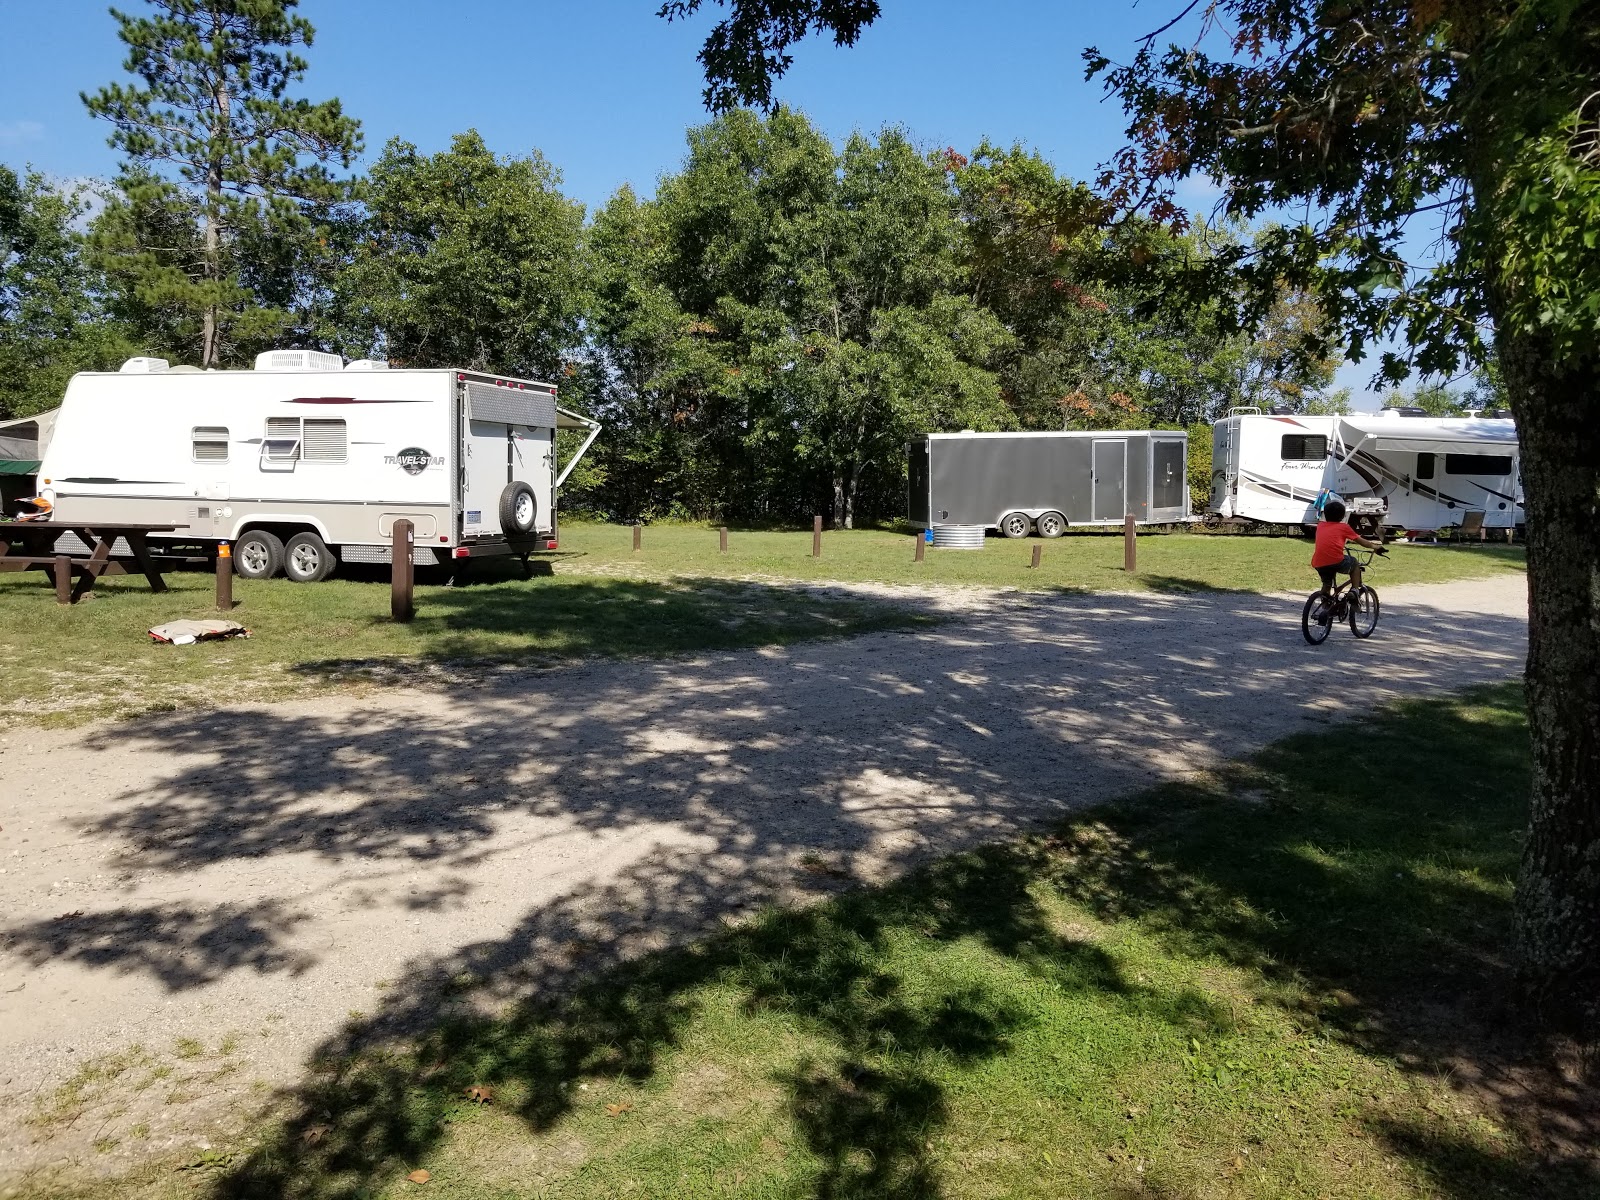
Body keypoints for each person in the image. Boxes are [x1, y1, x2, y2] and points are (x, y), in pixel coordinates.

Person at [1312, 498, 1385, 598]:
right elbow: (1361, 542)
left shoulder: (1320, 526)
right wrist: (1376, 547)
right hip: (1336, 561)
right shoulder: (1344, 527)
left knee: (1327, 584)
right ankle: (1354, 590)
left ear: (1325, 514)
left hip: (1319, 562)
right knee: (1354, 563)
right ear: (1342, 516)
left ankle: (1326, 607)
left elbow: (1332, 536)